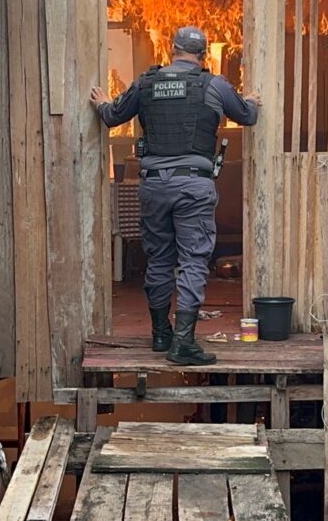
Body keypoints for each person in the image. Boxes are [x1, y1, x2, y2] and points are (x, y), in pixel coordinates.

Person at [90, 26, 261, 366]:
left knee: (159, 259)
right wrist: (253, 101)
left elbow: (112, 116)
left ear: (172, 49)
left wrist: (102, 103)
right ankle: (183, 343)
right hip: (193, 186)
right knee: (193, 260)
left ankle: (160, 334)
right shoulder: (213, 84)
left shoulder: (145, 83)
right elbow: (247, 116)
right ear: (203, 53)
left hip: (153, 185)